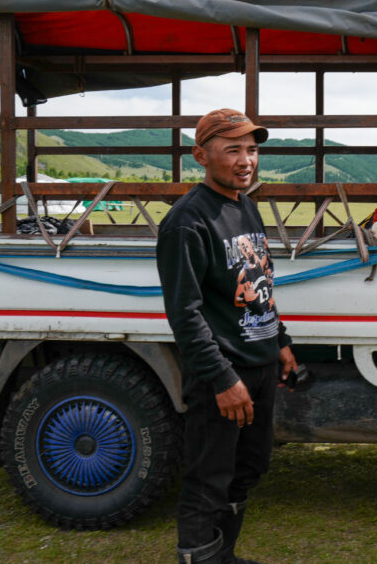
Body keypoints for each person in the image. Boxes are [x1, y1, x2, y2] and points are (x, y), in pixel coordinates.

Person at [157, 107, 297, 564]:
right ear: (201, 154)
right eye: (232, 149)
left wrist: (280, 341)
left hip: (258, 365)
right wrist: (221, 379)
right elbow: (185, 313)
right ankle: (199, 554)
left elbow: (258, 281)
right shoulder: (187, 221)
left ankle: (223, 554)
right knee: (208, 475)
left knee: (249, 468)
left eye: (252, 150)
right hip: (223, 375)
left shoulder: (245, 205)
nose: (246, 160)